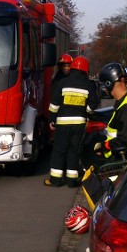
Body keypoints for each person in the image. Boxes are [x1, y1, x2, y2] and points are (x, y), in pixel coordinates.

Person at [45, 55, 99, 188]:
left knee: (59, 150)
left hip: (63, 124)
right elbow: (94, 103)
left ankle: (56, 180)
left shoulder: (63, 82)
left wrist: (51, 120)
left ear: (73, 67)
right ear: (85, 70)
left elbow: (54, 104)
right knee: (74, 151)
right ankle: (72, 181)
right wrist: (86, 111)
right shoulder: (88, 85)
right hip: (79, 124)